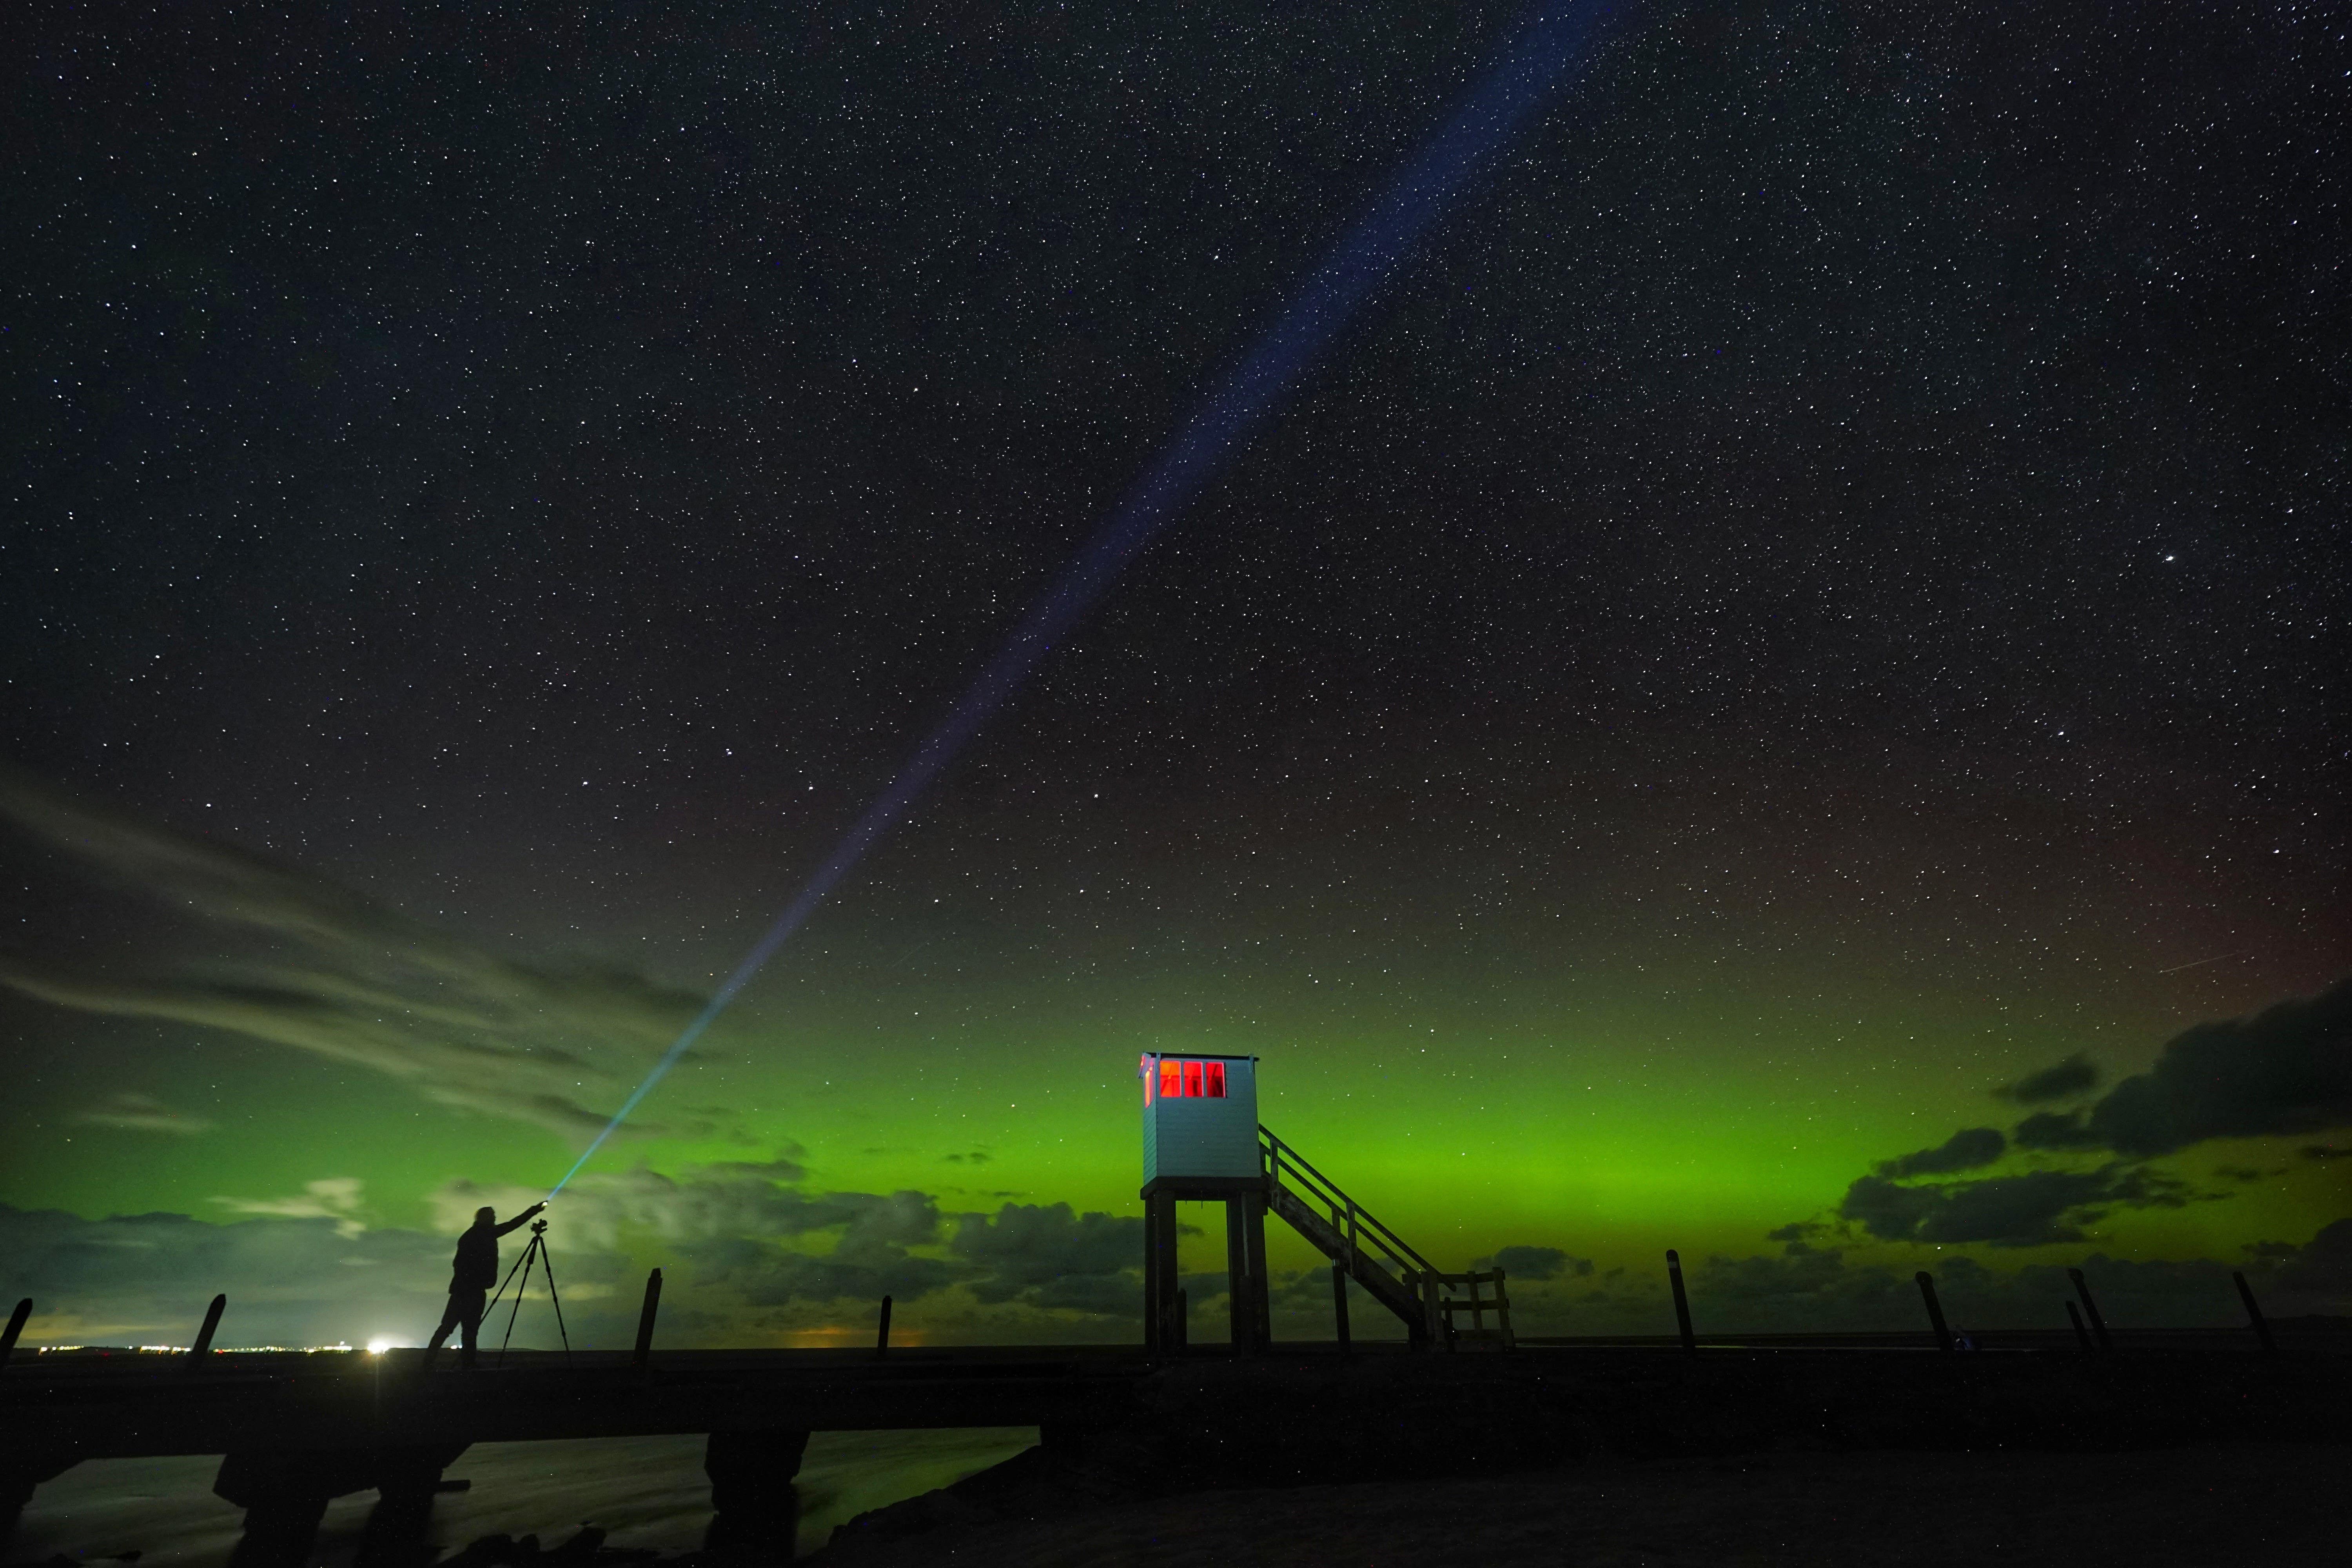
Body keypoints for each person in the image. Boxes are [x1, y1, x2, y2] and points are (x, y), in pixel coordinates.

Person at [425, 1201, 545, 1367]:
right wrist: (534, 1211)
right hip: (471, 1291)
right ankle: (465, 1365)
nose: (495, 1219)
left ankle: (431, 1363)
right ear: (486, 1219)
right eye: (493, 1217)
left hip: (463, 1290)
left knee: (451, 1329)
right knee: (466, 1330)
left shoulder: (471, 1236)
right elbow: (513, 1225)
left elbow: (458, 1264)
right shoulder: (483, 1235)